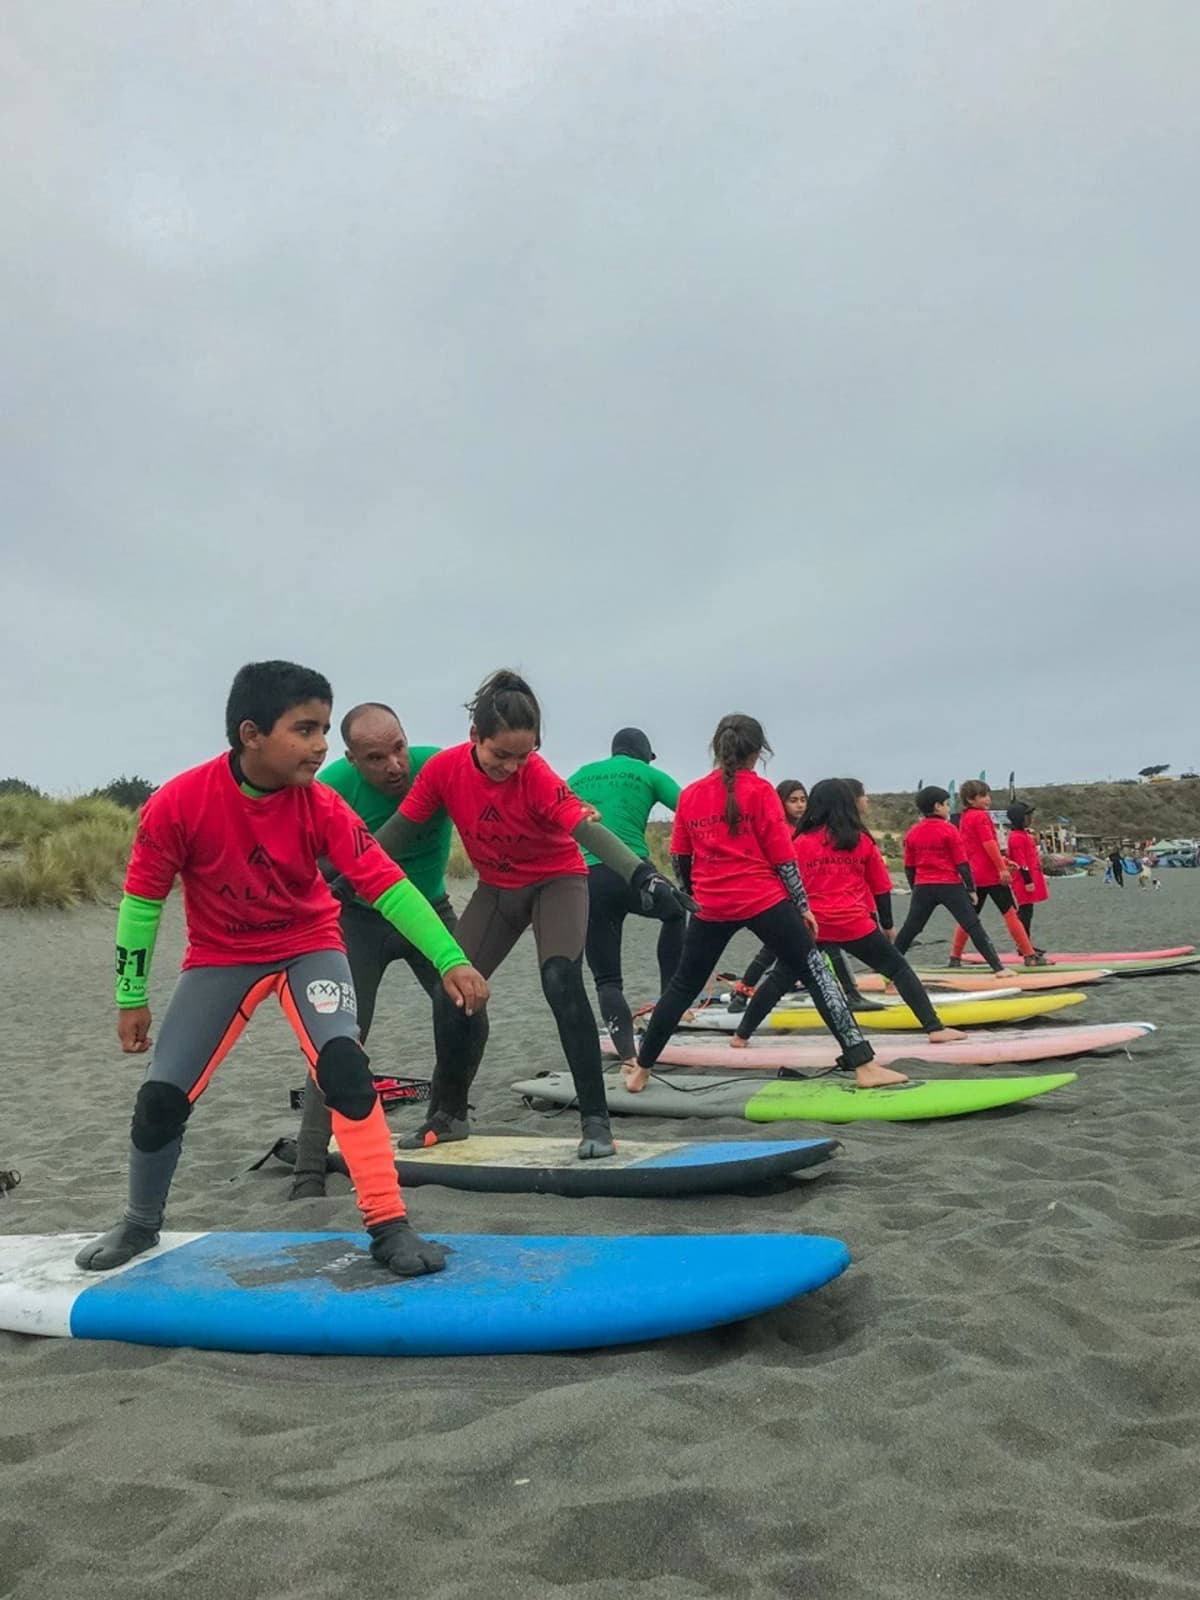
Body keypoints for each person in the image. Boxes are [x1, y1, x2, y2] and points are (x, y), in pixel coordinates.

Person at [76, 661, 488, 1278]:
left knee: (345, 1066)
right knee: (161, 1098)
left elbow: (388, 885)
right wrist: (130, 996)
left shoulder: (320, 805)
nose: (323, 746)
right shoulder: (177, 804)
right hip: (220, 957)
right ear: (251, 734)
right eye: (306, 729)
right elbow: (141, 902)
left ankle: (388, 1224)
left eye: (324, 728)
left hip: (310, 945)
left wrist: (450, 957)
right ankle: (138, 1223)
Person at [367, 670, 694, 1158]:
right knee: (449, 989)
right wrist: (345, 875)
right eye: (501, 755)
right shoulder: (442, 771)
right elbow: (397, 832)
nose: (513, 767)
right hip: (497, 889)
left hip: (557, 882)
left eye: (524, 755)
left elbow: (586, 832)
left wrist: (641, 873)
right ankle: (448, 1114)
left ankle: (595, 1120)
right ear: (474, 737)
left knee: (561, 981)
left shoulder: (536, 776)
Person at [624, 717, 908, 1093]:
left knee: (681, 986)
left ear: (717, 746)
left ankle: (641, 1070)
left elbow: (680, 857)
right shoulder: (760, 793)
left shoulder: (691, 795)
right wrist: (803, 906)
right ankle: (863, 1065)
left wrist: (694, 895)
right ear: (758, 753)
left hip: (711, 904)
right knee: (816, 972)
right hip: (764, 899)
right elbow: (783, 859)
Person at [288, 701, 478, 1200]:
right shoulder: (327, 788)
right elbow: (299, 861)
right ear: (351, 759)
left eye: (398, 748)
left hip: (428, 909)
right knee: (338, 1038)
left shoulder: (435, 765)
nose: (394, 766)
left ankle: (446, 1113)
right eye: (375, 758)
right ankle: (309, 1169)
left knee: (468, 1008)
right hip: (359, 919)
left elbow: (497, 790)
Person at [729, 779, 969, 1046]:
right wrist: (887, 925)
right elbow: (880, 887)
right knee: (899, 968)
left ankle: (741, 1035)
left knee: (779, 978)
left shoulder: (799, 842)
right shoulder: (861, 841)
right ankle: (934, 1028)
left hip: (811, 927)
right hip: (854, 924)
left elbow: (785, 885)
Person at [567, 729, 686, 1076]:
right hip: (631, 873)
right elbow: (688, 810)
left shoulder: (578, 776)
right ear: (644, 755)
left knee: (607, 979)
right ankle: (671, 999)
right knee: (676, 912)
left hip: (585, 879)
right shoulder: (648, 773)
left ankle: (627, 1056)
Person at [724, 779, 881, 1014]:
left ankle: (742, 993)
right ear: (781, 803)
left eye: (803, 800)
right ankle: (851, 994)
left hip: (806, 901)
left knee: (778, 951)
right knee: (774, 951)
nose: (799, 805)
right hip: (788, 900)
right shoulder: (788, 832)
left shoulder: (806, 830)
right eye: (793, 800)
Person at [892, 787, 1007, 973]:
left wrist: (915, 889)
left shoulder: (912, 832)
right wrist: (971, 889)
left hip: (923, 886)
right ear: (937, 806)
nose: (948, 808)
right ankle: (998, 968)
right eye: (946, 804)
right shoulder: (949, 830)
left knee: (911, 929)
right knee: (972, 925)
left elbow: (909, 867)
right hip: (949, 885)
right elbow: (962, 863)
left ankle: (887, 968)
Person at [946, 781, 1048, 966]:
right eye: (983, 796)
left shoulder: (964, 818)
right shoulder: (981, 817)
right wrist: (1001, 868)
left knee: (968, 917)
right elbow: (988, 844)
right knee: (1010, 912)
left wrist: (1005, 861)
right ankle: (1028, 955)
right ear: (970, 799)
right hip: (991, 875)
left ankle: (955, 956)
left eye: (988, 795)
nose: (988, 799)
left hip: (973, 876)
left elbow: (973, 849)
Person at [1005, 801, 1048, 940]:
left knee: (1028, 912)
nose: (1031, 819)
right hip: (1023, 880)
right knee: (1025, 913)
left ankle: (1025, 943)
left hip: (1030, 877)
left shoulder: (1023, 835)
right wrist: (1028, 881)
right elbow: (1021, 861)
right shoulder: (1016, 837)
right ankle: (1024, 943)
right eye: (1028, 816)